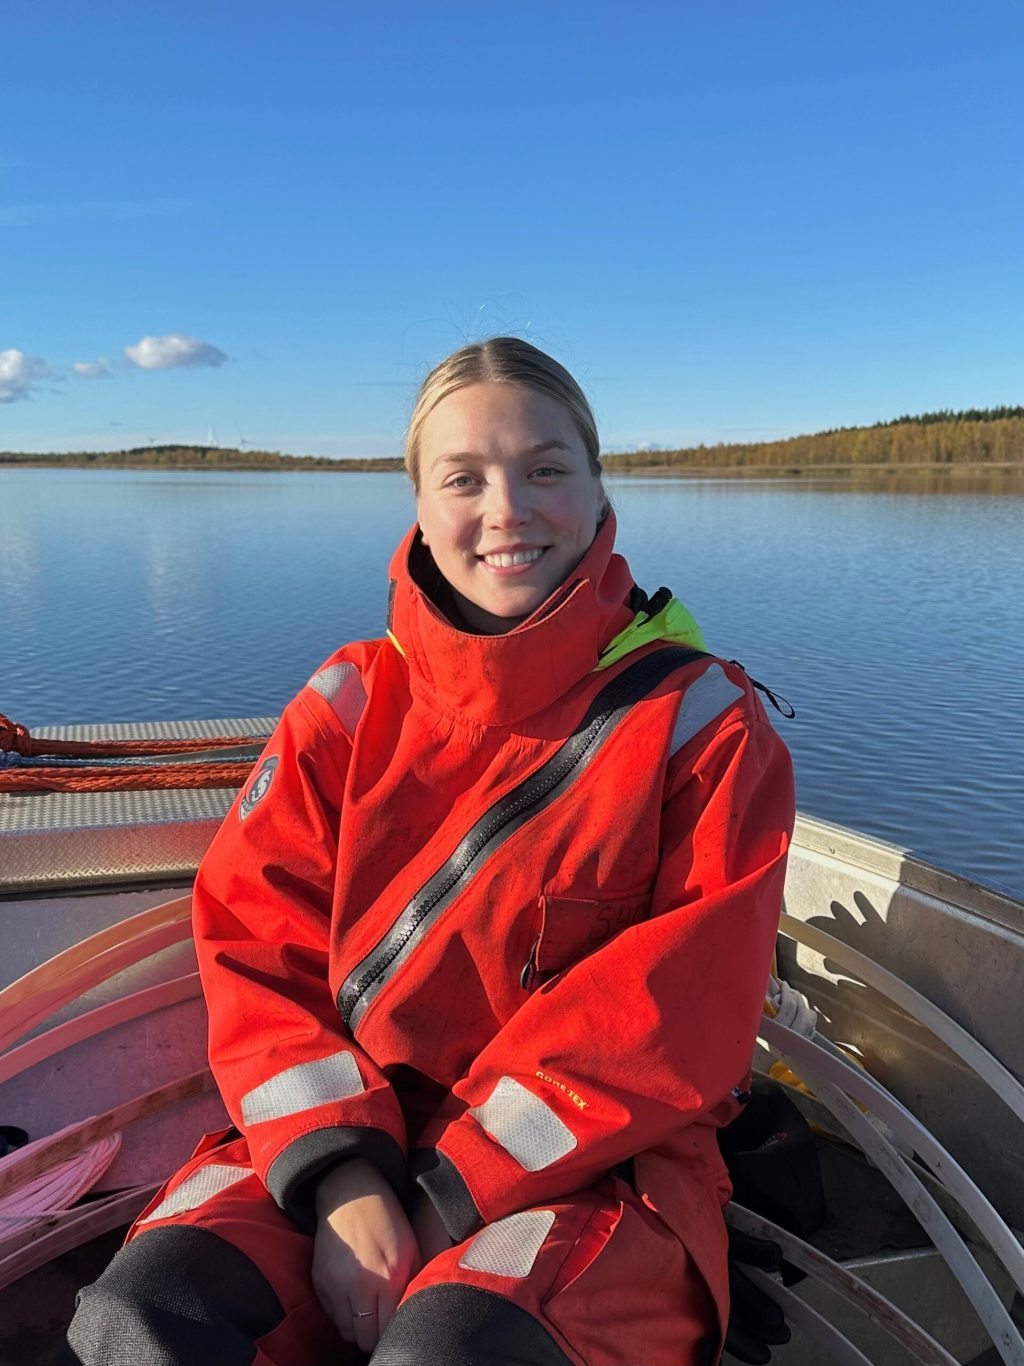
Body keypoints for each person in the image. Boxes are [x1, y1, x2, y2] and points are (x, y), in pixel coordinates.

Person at [62, 337, 795, 1366]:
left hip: (597, 1176)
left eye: (545, 468)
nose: (507, 509)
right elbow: (254, 943)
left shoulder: (702, 728)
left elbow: (673, 1013)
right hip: (340, 1146)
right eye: (464, 477)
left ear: (595, 487)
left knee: (447, 1352)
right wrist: (344, 1179)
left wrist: (445, 1195)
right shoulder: (346, 705)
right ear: (417, 499)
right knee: (141, 1317)